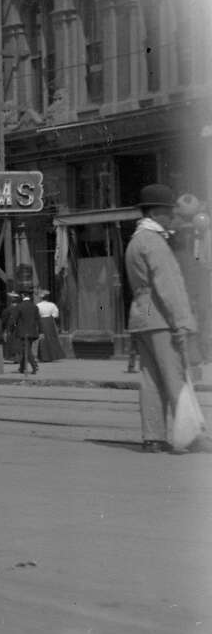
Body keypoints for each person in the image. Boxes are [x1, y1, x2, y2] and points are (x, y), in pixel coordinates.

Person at [125, 183, 198, 453]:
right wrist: (182, 322)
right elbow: (168, 286)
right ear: (156, 212)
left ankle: (153, 436)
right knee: (174, 374)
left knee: (150, 377)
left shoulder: (136, 240)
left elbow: (142, 290)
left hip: (143, 314)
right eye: (168, 211)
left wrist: (145, 320)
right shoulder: (154, 242)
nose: (172, 216)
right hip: (161, 316)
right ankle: (189, 435)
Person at [9, 290, 40, 375]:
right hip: (33, 332)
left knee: (26, 350)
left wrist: (11, 329)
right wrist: (39, 331)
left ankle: (34, 366)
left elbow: (13, 319)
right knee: (25, 349)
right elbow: (38, 319)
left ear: (22, 296)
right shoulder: (34, 306)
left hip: (22, 332)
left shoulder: (19, 306)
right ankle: (22, 368)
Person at [35, 291, 65, 362]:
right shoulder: (52, 305)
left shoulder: (38, 305)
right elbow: (56, 314)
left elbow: (36, 314)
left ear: (41, 298)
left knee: (43, 338)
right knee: (52, 338)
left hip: (41, 321)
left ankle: (43, 356)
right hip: (49, 321)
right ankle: (53, 355)